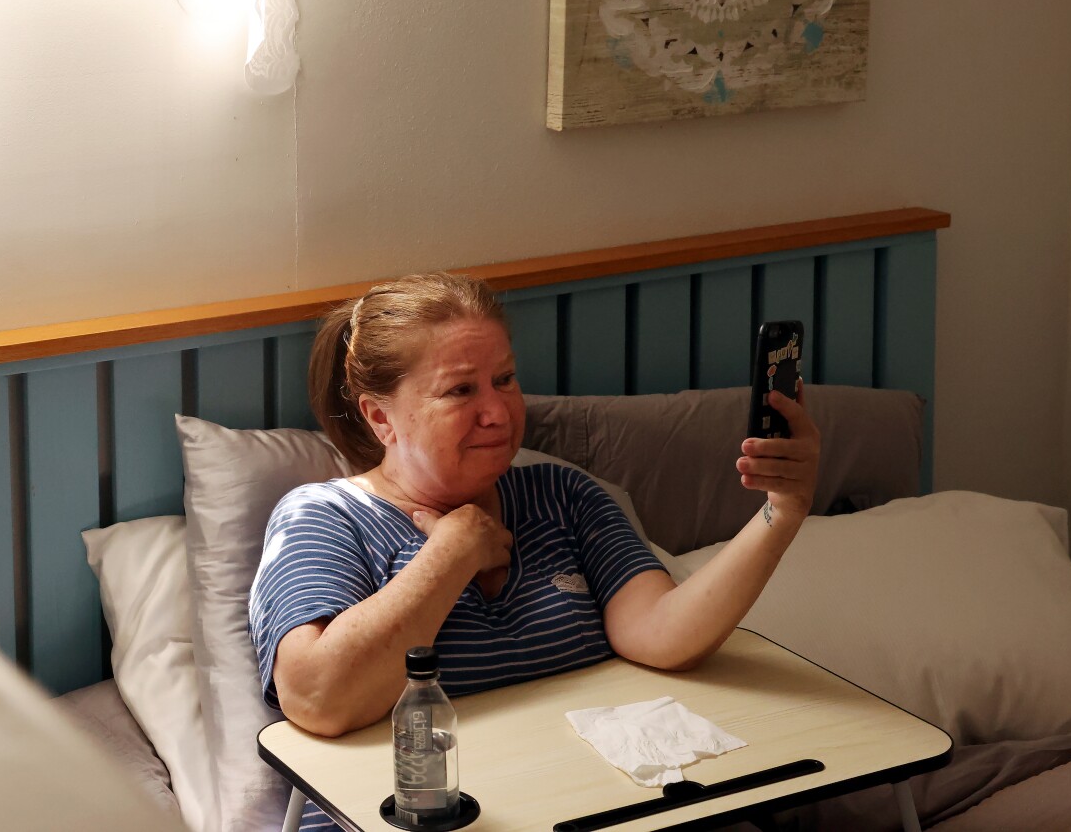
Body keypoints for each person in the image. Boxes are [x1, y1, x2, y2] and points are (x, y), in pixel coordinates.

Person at [248, 272, 820, 829]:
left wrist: (783, 510)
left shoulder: (562, 497)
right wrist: (451, 555)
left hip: (586, 809)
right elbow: (318, 696)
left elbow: (666, 637)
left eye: (505, 379)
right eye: (460, 390)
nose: (498, 412)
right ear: (380, 417)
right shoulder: (324, 516)